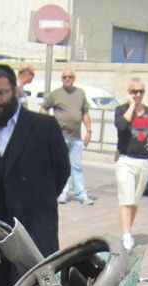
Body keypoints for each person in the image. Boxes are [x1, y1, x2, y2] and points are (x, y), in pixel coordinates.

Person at [0, 64, 70, 286]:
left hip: (31, 228)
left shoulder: (43, 127)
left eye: (1, 93)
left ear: (14, 91)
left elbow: (62, 171)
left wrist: (37, 200)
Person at [114, 78, 148, 250]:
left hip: (144, 159)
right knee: (126, 198)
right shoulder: (121, 110)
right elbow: (121, 126)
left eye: (140, 92)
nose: (137, 95)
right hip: (126, 159)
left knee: (134, 201)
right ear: (129, 92)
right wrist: (132, 106)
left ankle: (128, 231)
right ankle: (126, 236)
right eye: (134, 91)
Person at [42, 69, 94, 205]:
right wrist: (47, 126)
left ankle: (81, 194)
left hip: (76, 137)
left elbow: (85, 113)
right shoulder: (56, 94)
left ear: (74, 78)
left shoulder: (80, 93)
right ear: (62, 79)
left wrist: (89, 130)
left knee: (76, 166)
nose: (67, 79)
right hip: (60, 137)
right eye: (65, 77)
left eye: (70, 77)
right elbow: (44, 108)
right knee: (62, 166)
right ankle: (62, 193)